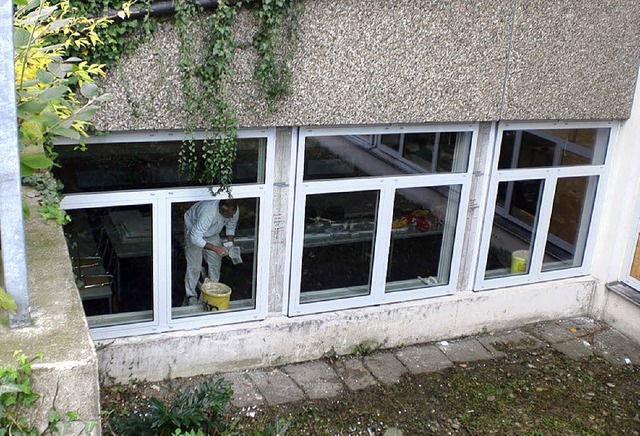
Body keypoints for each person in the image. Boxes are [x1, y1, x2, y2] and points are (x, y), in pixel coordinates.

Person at [183, 199, 239, 306]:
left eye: (233, 214)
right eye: (229, 215)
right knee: (194, 265)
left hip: (212, 232)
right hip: (194, 230)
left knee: (216, 262)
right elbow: (195, 237)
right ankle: (191, 295)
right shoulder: (208, 212)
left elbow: (231, 227)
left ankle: (212, 289)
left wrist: (230, 244)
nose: (232, 217)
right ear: (223, 210)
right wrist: (215, 248)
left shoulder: (233, 210)